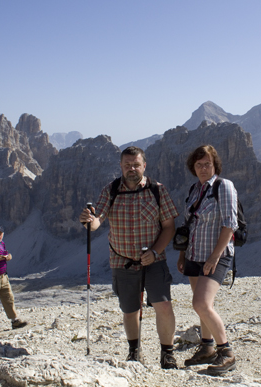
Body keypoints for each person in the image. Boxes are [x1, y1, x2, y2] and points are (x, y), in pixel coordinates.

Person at [79, 146, 179, 369]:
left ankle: (167, 353)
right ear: (121, 167)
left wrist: (154, 253)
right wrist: (89, 221)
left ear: (144, 165)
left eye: (136, 164)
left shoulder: (157, 190)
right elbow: (98, 219)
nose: (132, 169)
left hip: (154, 260)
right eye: (127, 165)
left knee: (163, 305)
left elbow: (169, 227)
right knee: (130, 309)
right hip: (122, 260)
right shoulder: (111, 190)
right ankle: (134, 352)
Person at [177, 144, 238, 376]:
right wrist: (183, 255)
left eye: (207, 164)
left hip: (216, 256)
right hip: (194, 254)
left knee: (201, 304)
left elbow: (229, 224)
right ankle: (207, 347)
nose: (203, 168)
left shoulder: (224, 187)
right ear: (193, 167)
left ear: (215, 166)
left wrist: (215, 256)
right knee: (203, 305)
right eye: (199, 164)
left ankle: (227, 353)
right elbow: (189, 225)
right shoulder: (195, 189)